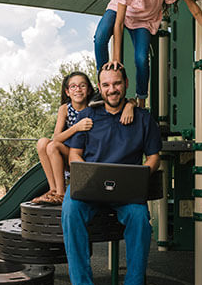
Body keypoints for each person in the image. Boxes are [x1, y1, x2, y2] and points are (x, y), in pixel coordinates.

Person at [61, 63, 162, 285]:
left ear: (125, 84)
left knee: (140, 219)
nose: (111, 89)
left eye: (116, 83)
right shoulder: (88, 116)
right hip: (90, 189)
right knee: (70, 211)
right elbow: (74, 155)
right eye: (106, 85)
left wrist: (142, 174)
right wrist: (82, 171)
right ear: (100, 88)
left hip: (127, 192)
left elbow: (154, 158)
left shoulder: (143, 119)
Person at [31, 71, 136, 205]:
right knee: (43, 143)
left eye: (82, 86)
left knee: (52, 146)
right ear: (67, 92)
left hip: (83, 156)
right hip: (66, 152)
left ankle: (61, 194)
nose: (78, 90)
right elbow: (56, 137)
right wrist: (76, 127)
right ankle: (54, 189)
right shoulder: (65, 109)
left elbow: (125, 100)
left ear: (89, 90)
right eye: (73, 87)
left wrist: (130, 105)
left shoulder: (93, 106)